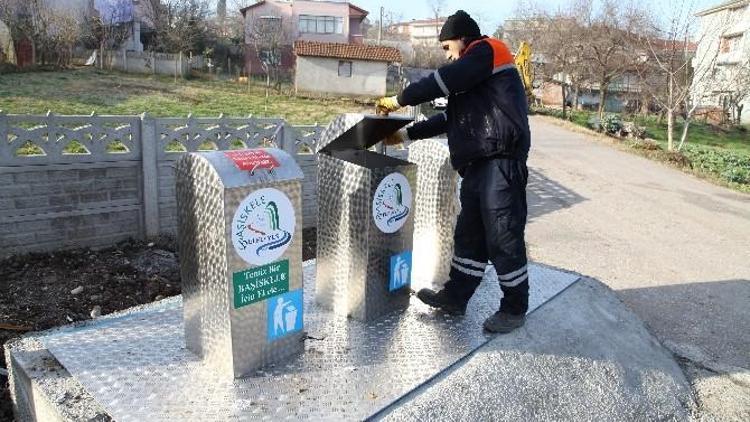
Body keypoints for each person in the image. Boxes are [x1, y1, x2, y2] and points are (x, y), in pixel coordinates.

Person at [376, 10, 531, 334]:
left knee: (503, 235)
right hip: (478, 165)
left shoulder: (490, 51)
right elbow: (450, 120)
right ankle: (456, 297)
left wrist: (399, 99)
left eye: (448, 47)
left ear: (463, 38)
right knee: (469, 237)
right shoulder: (473, 79)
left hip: (501, 162)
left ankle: (514, 308)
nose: (448, 55)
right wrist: (403, 135)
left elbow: (443, 81)